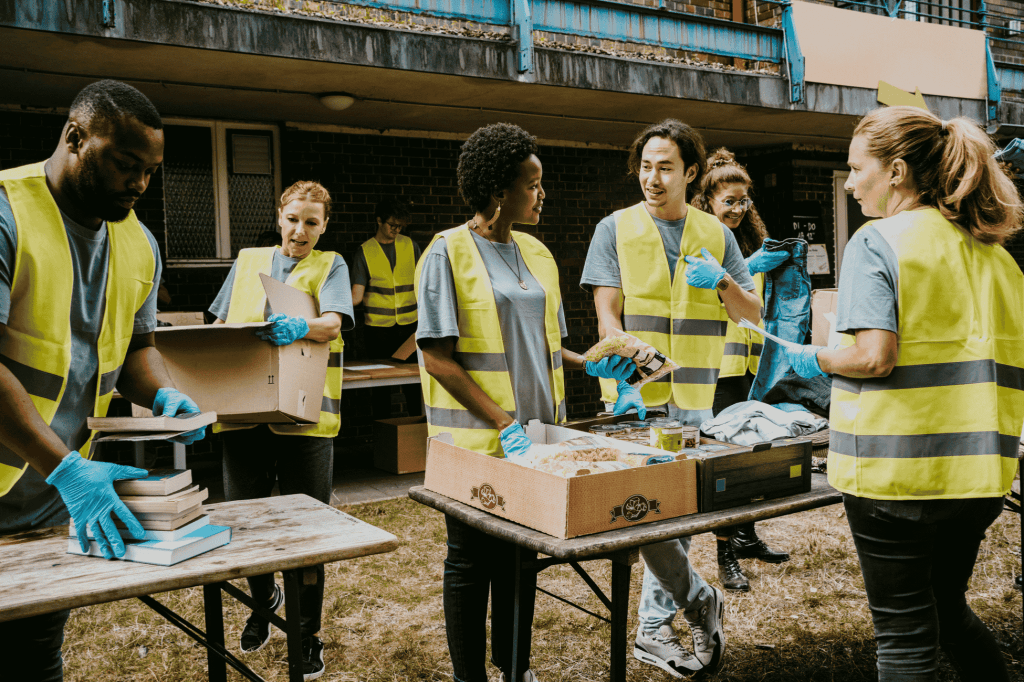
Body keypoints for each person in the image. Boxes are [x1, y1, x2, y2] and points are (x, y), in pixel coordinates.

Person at [784, 106, 1024, 682]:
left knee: (904, 631)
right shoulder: (997, 259)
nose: (848, 182)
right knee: (945, 609)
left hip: (895, 474)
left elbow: (873, 356)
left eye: (854, 167)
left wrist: (811, 357)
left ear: (895, 171)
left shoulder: (877, 241)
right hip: (979, 476)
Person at [416, 122, 640, 682]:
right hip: (476, 440)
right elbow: (437, 357)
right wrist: (501, 420)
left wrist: (587, 362)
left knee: (519, 561)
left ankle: (514, 670)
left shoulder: (538, 254)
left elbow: (545, 346)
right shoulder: (446, 252)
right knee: (469, 564)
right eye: (533, 184)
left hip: (538, 439)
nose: (543, 194)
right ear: (499, 189)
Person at [0, 79, 205, 682]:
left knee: (33, 666)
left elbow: (137, 347)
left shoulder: (138, 241)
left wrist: (162, 393)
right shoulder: (5, 212)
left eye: (151, 171)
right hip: (58, 477)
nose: (140, 184)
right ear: (74, 137)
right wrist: (65, 467)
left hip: (50, 505)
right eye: (125, 164)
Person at [581, 119, 762, 677]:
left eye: (664, 167)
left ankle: (654, 629)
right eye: (644, 167)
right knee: (643, 511)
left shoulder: (718, 235)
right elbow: (607, 314)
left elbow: (751, 315)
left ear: (690, 173)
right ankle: (693, 603)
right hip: (634, 398)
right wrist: (621, 350)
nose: (652, 178)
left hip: (695, 397)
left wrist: (725, 283)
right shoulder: (613, 228)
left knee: (673, 514)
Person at [208, 180, 354, 681]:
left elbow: (334, 323)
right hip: (242, 417)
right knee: (248, 530)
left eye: (312, 222)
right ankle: (262, 604)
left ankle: (307, 633)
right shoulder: (249, 262)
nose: (300, 231)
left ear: (324, 225)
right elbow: (219, 325)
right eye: (293, 219)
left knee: (307, 534)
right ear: (279, 217)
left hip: (306, 422)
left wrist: (302, 326)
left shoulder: (330, 264)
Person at [691, 149, 791, 593]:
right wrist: (746, 270)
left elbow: (758, 303)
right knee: (726, 462)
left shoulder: (751, 239)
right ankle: (725, 553)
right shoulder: (701, 238)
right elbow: (705, 283)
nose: (737, 208)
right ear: (707, 200)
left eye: (743, 201)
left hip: (753, 362)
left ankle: (747, 536)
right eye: (728, 200)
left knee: (756, 451)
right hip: (720, 365)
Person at [351, 197, 421, 358]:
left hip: (410, 326)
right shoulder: (365, 251)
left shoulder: (411, 245)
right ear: (379, 221)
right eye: (392, 225)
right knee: (382, 375)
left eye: (400, 226)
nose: (397, 229)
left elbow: (424, 284)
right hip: (377, 330)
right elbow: (356, 296)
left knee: (412, 377)